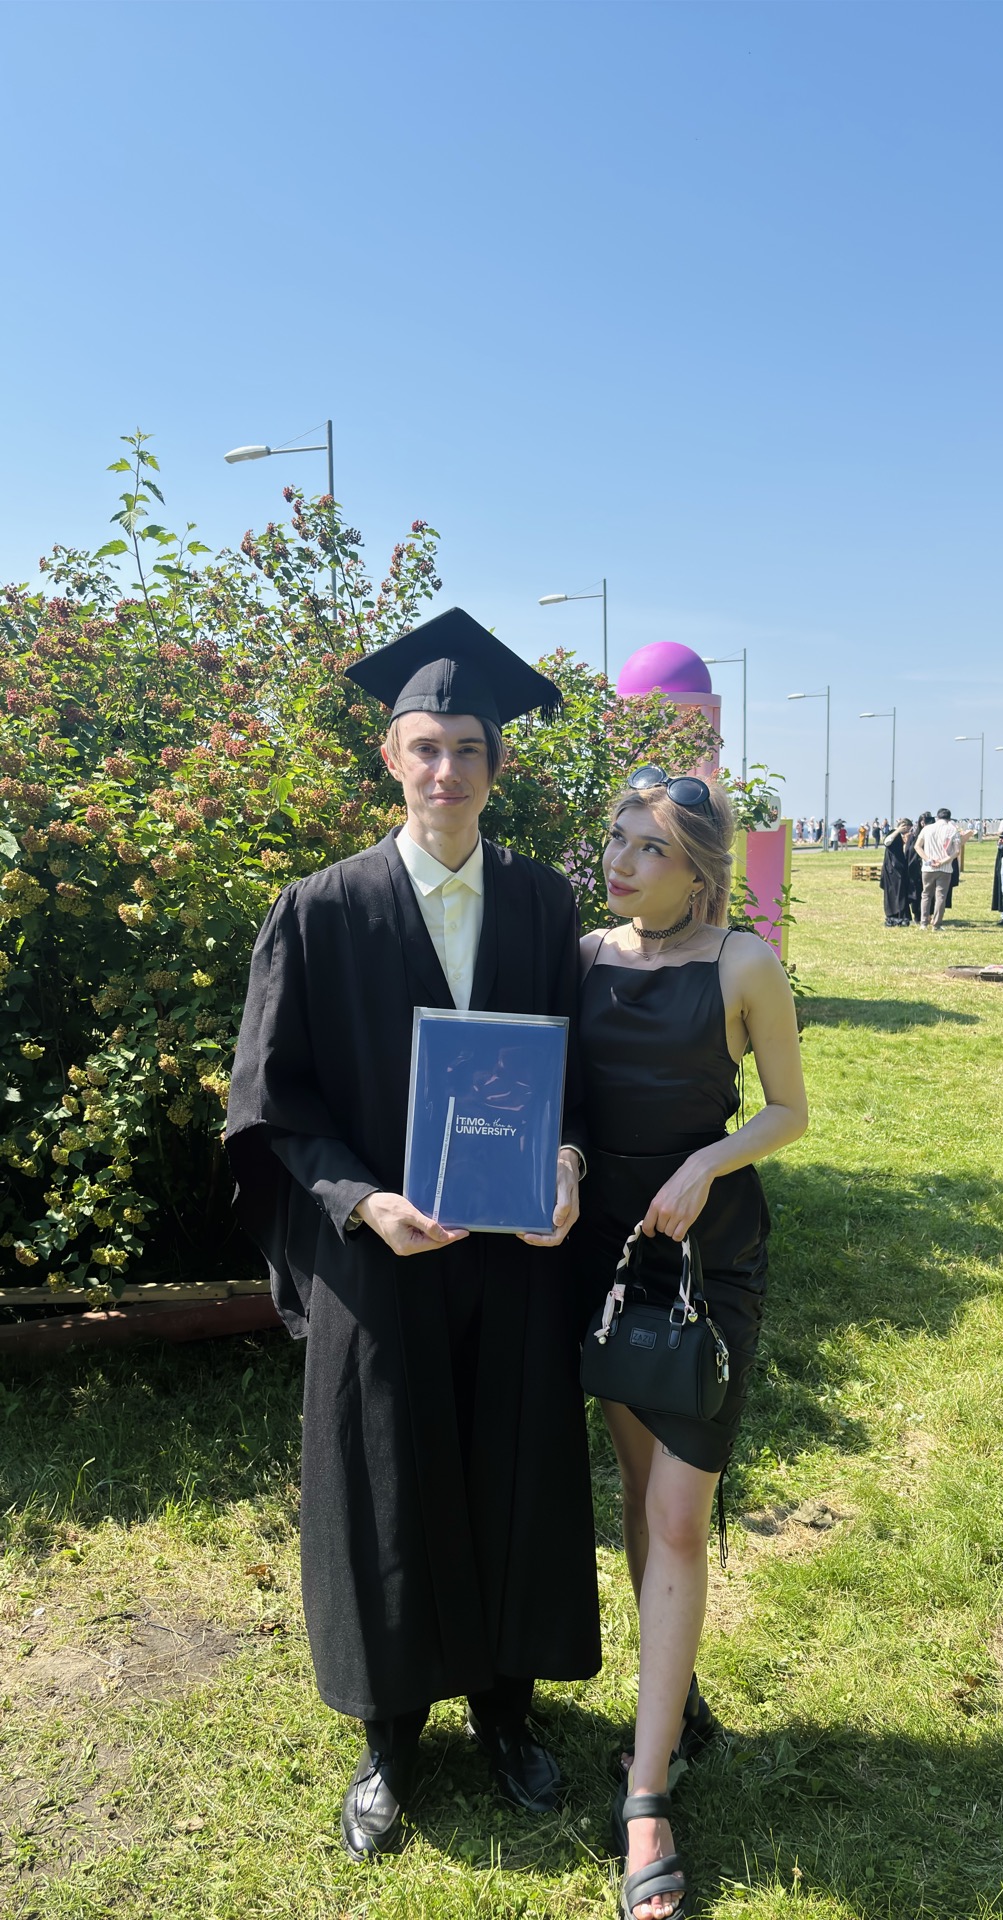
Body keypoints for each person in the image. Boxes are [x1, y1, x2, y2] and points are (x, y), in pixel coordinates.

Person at [225, 609, 601, 1860]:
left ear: (499, 768)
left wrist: (565, 1166)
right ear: (390, 756)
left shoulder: (547, 910)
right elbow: (275, 1103)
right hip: (381, 1256)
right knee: (385, 1480)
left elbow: (580, 1086)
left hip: (513, 1260)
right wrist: (360, 1203)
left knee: (512, 1465)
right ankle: (391, 1737)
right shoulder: (320, 912)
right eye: (425, 746)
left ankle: (507, 1710)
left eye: (470, 751)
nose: (447, 770)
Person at [574, 768, 807, 1920]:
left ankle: (647, 1793)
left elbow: (787, 1111)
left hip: (711, 1260)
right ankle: (677, 1692)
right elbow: (561, 1094)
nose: (620, 864)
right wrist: (566, 1157)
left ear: (701, 869)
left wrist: (706, 1160)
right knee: (635, 1490)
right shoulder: (584, 955)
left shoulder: (743, 964)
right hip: (608, 1255)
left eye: (648, 849)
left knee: (677, 1514)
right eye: (616, 841)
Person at [914, 808, 973, 930]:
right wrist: (943, 861)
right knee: (940, 896)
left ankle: (923, 923)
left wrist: (928, 859)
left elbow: (917, 846)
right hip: (945, 868)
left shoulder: (927, 828)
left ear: (937, 817)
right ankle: (936, 924)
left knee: (926, 895)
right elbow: (956, 851)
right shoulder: (953, 830)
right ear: (949, 818)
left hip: (928, 867)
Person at [879, 817, 915, 925]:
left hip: (898, 867)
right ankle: (894, 914)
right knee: (894, 891)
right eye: (907, 828)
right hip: (892, 869)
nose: (908, 831)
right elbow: (887, 842)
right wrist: (898, 831)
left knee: (900, 891)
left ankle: (902, 914)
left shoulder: (900, 836)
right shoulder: (893, 833)